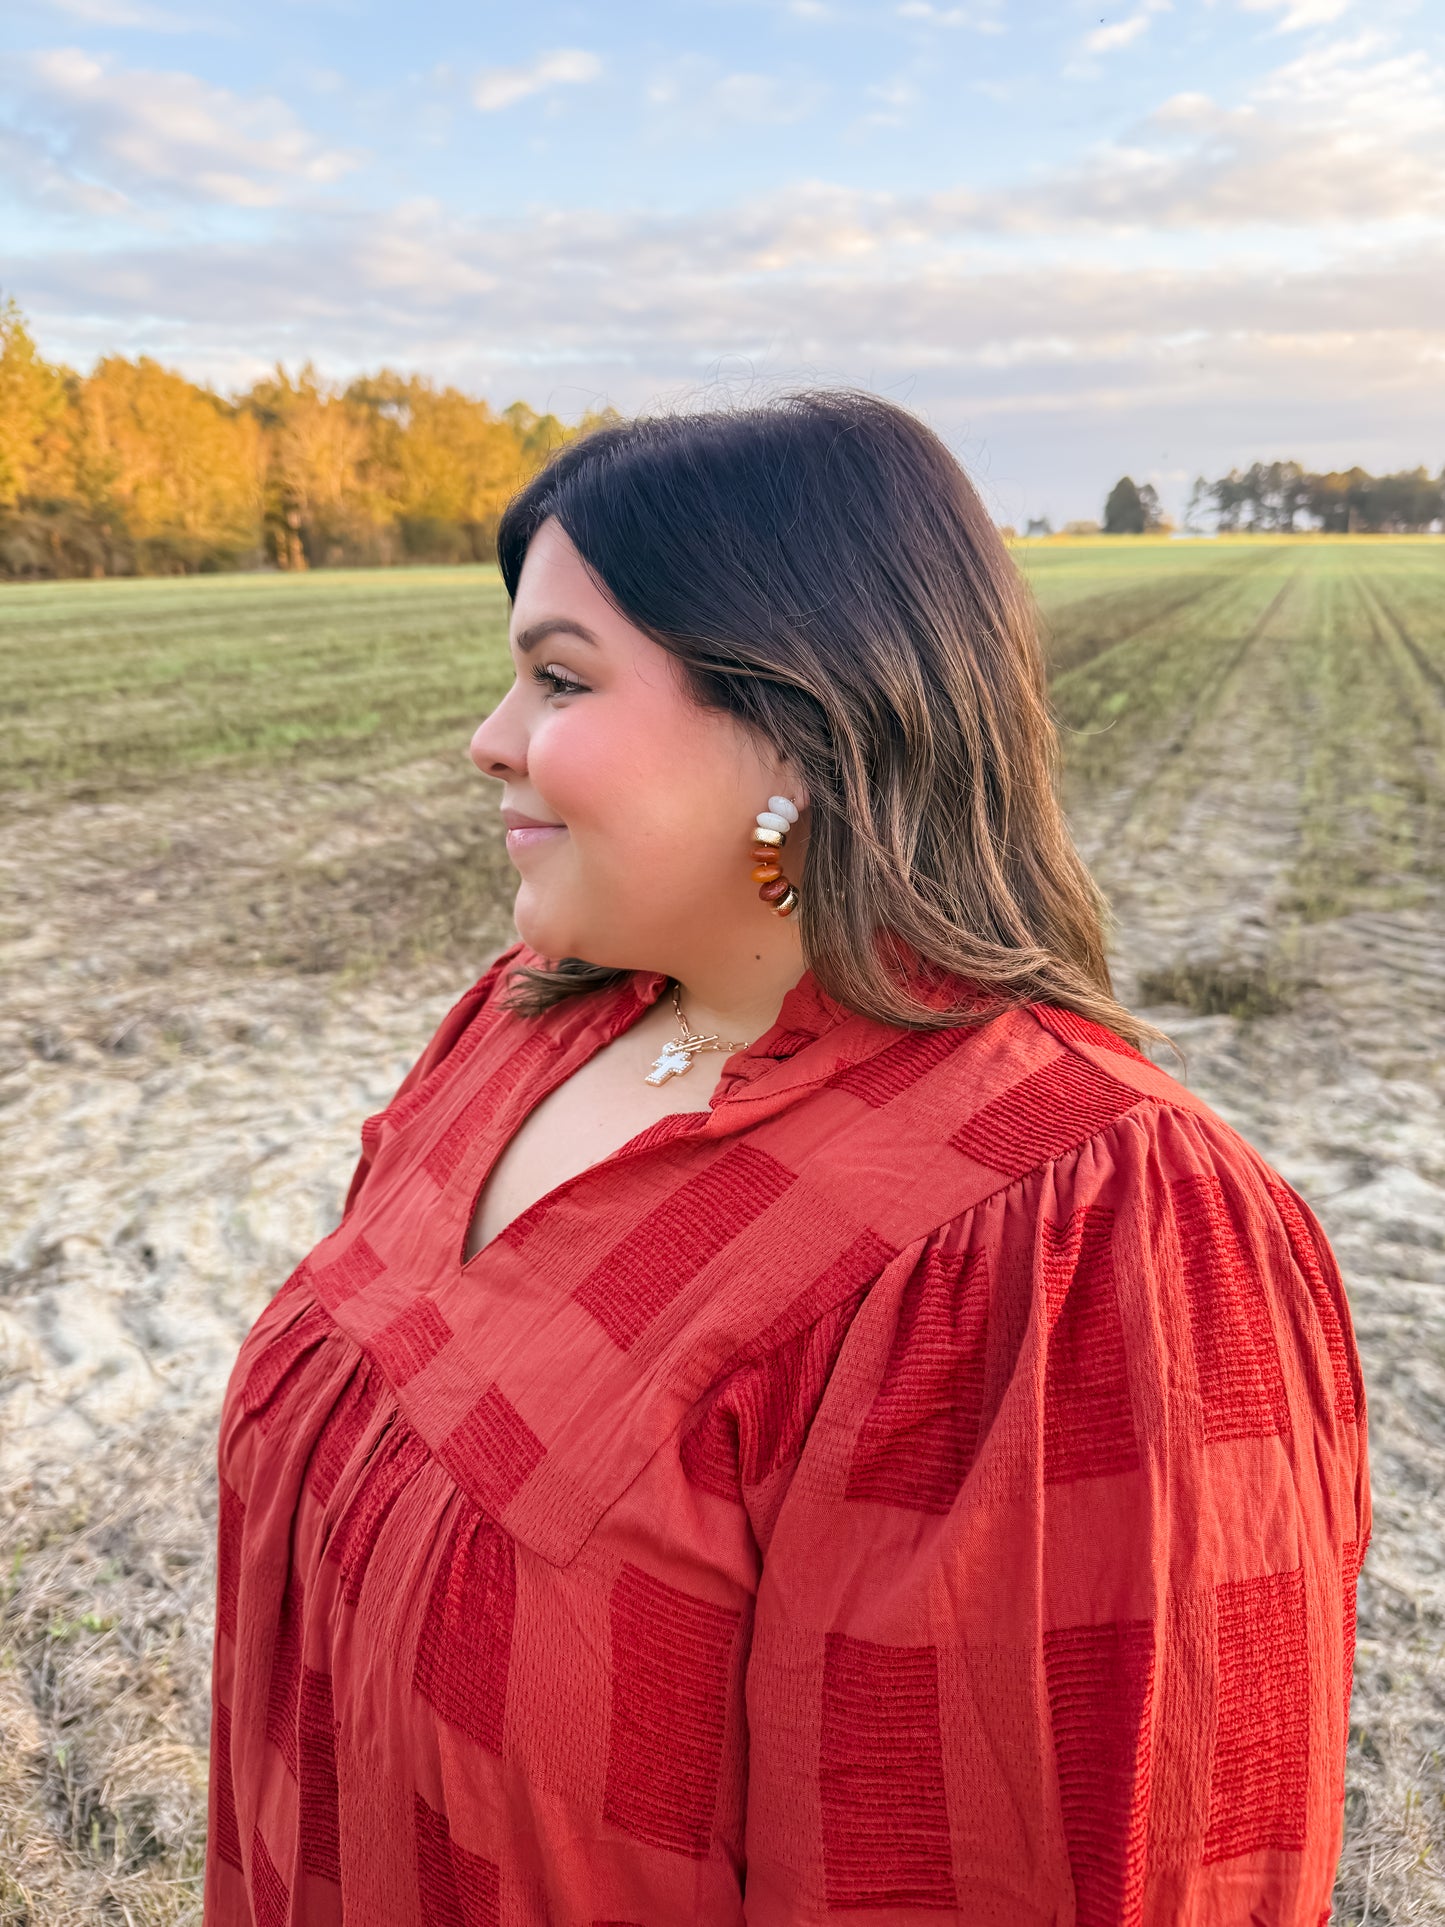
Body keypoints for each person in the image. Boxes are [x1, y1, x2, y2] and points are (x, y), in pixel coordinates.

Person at [204, 393, 1369, 1926]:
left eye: (559, 677)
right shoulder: (517, 1026)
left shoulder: (1065, 1232)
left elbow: (1046, 1865)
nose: (487, 743)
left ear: (802, 731)